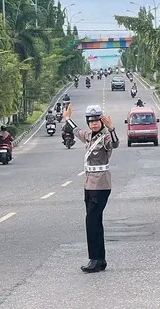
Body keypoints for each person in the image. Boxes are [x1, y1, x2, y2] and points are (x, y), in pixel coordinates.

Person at [63, 103, 119, 273]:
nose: (94, 124)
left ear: (102, 121)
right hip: (89, 185)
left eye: (97, 121)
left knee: (92, 222)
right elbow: (75, 131)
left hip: (101, 186)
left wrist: (112, 128)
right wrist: (67, 118)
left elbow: (115, 144)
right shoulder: (89, 136)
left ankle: (95, 260)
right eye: (91, 121)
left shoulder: (105, 137)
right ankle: (99, 260)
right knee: (94, 222)